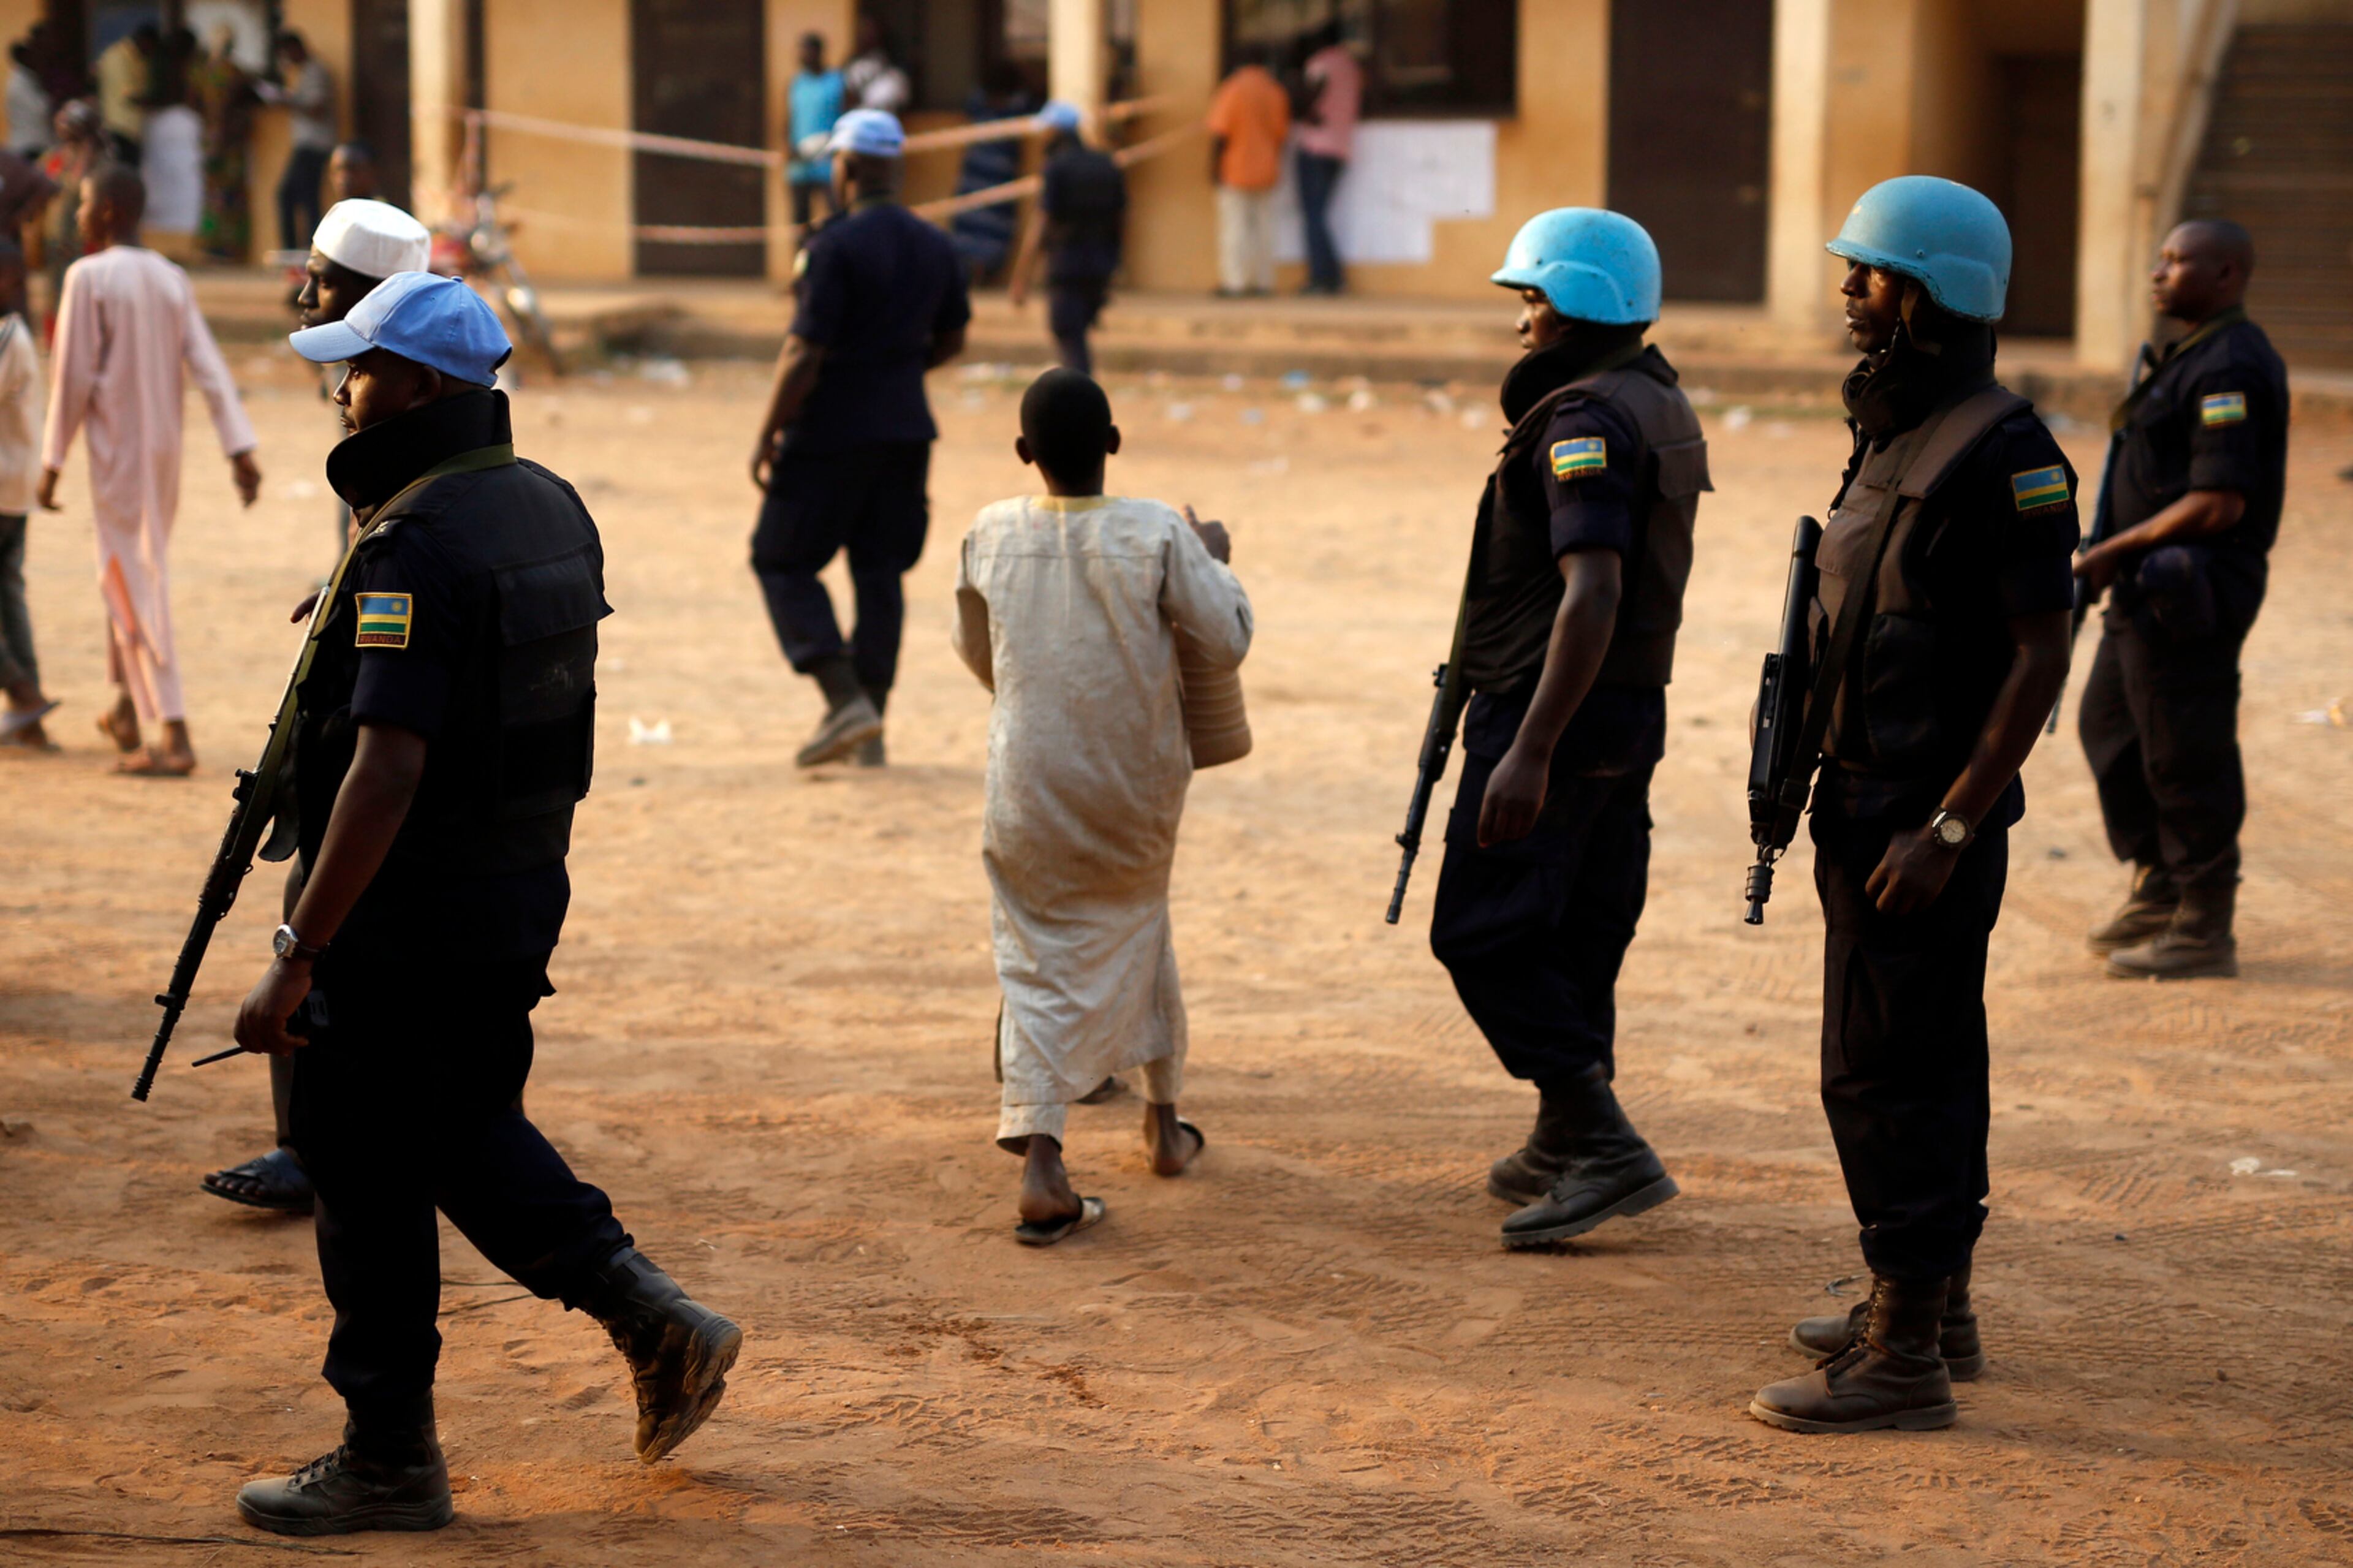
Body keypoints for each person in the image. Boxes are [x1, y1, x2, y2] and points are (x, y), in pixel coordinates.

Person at [220, 271, 739, 1535]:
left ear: (427, 387)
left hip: (407, 911)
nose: (343, 390)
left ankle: (395, 1452)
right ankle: (649, 1319)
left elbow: (389, 764)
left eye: (361, 368)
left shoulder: (419, 545)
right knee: (453, 1124)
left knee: (361, 1153)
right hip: (515, 891)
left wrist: (299, 949)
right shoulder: (542, 505)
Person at [1747, 176, 2077, 1434]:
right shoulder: (1896, 425)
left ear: (1931, 293)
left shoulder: (2009, 452)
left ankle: (1904, 1356)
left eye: (1868, 274)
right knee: (1910, 1056)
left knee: (1890, 1071)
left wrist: (1949, 825)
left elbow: (2041, 655)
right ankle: (1933, 1304)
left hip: (1921, 815)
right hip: (1861, 796)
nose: (1847, 291)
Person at [1425, 211, 1705, 1251]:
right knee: (1580, 919)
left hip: (1558, 704)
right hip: (1627, 705)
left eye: (1535, 300)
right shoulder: (1655, 394)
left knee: (1481, 927)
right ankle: (1560, 1134)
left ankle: (1601, 1138)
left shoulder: (1584, 418)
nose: (1523, 324)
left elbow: (1592, 589)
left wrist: (1532, 745)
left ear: (1583, 303)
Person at [952, 368, 1248, 1244]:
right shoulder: (1158, 531)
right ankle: (1158, 1127)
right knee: (1137, 920)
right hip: (1135, 787)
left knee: (1036, 956)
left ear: (1022, 453)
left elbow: (984, 656)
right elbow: (1224, 638)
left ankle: (1052, 1157)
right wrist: (1217, 561)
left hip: (1027, 784)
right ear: (1113, 444)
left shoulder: (989, 532)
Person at [198, 197, 433, 1219]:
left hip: (388, 709)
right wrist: (337, 578)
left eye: (324, 281)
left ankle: (311, 1143)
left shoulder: (409, 396)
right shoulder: (383, 385)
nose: (305, 295)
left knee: (317, 902)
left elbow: (414, 539)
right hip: (379, 673)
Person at [2074, 220, 2286, 981]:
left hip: (2188, 596)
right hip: (2143, 592)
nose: (2158, 274)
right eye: (2158, 259)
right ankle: (2157, 883)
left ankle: (2203, 923)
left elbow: (2219, 502)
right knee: (2111, 729)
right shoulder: (2188, 355)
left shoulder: (2230, 364)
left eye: (2176, 261)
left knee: (2183, 749)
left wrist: (2109, 551)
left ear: (2226, 273)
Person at [748, 108, 969, 769]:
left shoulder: (833, 246)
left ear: (844, 167)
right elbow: (954, 338)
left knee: (781, 558)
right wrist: (897, 372)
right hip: (906, 430)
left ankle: (844, 698)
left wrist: (769, 431)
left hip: (830, 430)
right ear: (895, 167)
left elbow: (803, 352)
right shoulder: (937, 245)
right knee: (880, 573)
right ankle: (871, 722)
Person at [38, 164, 260, 777]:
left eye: (83, 204)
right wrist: (239, 449)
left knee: (136, 575)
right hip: (163, 453)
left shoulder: (88, 276)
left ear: (108, 210)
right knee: (128, 568)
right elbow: (209, 365)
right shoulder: (170, 278)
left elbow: (72, 376)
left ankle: (176, 731)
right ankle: (125, 709)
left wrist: (52, 463)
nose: (78, 215)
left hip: (118, 457)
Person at [1008, 100, 1126, 375]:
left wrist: (1021, 276)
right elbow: (1122, 219)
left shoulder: (1057, 168)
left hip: (1067, 263)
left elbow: (1043, 222)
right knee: (1079, 332)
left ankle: (1080, 398)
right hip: (1101, 263)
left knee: (1068, 334)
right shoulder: (1106, 164)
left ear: (1056, 132)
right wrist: (1116, 260)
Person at [0, 238, 52, 752]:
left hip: (4, 486)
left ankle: (21, 688)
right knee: (9, 597)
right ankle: (29, 712)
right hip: (14, 486)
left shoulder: (6, 336)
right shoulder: (16, 333)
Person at [1205, 52, 1289, 298]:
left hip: (1235, 169)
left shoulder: (1233, 89)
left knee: (1235, 229)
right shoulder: (1275, 91)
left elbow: (1220, 132)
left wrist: (1214, 166)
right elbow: (1280, 134)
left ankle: (1235, 283)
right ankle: (1264, 282)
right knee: (1264, 230)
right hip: (1266, 169)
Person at [947, 63, 1033, 283]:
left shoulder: (1014, 110)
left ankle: (982, 274)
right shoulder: (980, 106)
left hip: (998, 184)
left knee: (990, 237)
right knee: (968, 234)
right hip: (976, 180)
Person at [1290, 23, 1360, 297]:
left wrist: (1300, 101)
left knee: (1314, 215)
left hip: (1316, 146)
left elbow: (1311, 98)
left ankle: (1323, 278)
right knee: (1319, 214)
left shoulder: (1320, 64)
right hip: (1341, 146)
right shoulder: (1351, 66)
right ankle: (1333, 277)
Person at [256, 31, 335, 252]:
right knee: (306, 198)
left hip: (314, 145)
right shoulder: (305, 73)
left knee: (291, 195)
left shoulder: (316, 72)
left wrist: (287, 100)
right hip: (307, 144)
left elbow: (317, 109)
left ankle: (296, 251)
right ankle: (304, 250)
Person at [34, 101, 100, 338]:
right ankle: (56, 339)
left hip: (86, 238)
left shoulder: (99, 163)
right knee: (55, 290)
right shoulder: (53, 159)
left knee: (89, 292)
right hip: (55, 236)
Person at [191, 25, 256, 262]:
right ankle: (224, 247)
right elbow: (221, 108)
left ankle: (217, 246)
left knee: (219, 195)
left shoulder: (204, 72)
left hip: (216, 141)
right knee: (226, 196)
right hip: (226, 143)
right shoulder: (229, 73)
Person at [786, 31, 843, 238]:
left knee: (837, 215)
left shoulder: (837, 82)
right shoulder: (796, 84)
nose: (802, 55)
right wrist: (790, 148)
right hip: (800, 165)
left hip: (828, 164)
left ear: (818, 52)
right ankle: (803, 267)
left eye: (807, 50)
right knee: (801, 224)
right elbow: (790, 119)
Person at [94, 25, 155, 164]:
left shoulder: (134, 56)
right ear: (144, 40)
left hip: (130, 130)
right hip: (120, 128)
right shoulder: (119, 57)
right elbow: (129, 95)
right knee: (125, 172)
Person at [841, 16, 909, 115]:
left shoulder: (894, 68)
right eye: (863, 31)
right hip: (858, 119)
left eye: (871, 32)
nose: (867, 36)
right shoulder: (853, 64)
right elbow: (846, 97)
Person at [9, 39, 51, 158]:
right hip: (30, 145)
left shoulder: (29, 78)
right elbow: (41, 111)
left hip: (35, 142)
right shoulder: (19, 84)